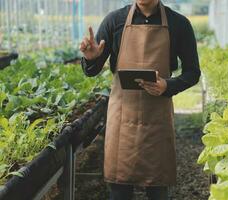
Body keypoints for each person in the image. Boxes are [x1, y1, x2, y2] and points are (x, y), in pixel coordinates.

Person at [79, 0, 200, 199]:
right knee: (119, 189)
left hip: (157, 116)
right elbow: (91, 70)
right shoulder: (114, 21)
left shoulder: (178, 23)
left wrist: (168, 86)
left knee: (158, 188)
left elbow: (192, 72)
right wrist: (91, 58)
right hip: (122, 116)